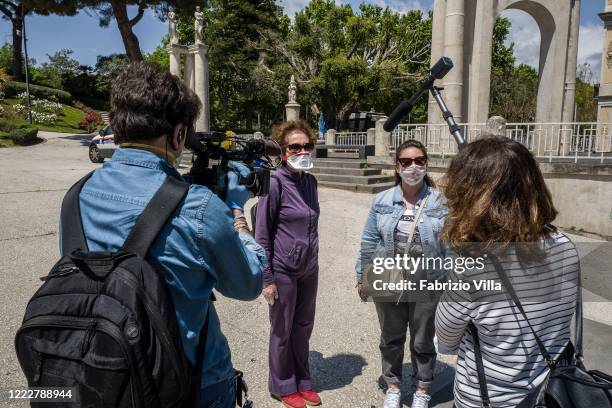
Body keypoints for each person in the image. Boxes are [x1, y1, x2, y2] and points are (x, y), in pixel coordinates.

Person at [64, 62, 266, 408]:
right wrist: (235, 210)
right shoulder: (197, 207)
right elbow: (248, 284)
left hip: (101, 369)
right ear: (177, 135)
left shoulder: (76, 195)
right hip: (189, 382)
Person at [435, 137, 580, 408]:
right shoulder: (566, 246)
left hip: (489, 399)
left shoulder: (472, 267)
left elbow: (446, 338)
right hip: (552, 392)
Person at [355, 140, 447, 408]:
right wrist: (363, 276)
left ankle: (422, 388)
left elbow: (451, 244)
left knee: (422, 339)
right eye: (406, 162)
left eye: (419, 161)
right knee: (391, 337)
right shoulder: (382, 200)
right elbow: (369, 241)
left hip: (427, 279)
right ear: (397, 167)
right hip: (388, 277)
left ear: (426, 163)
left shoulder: (441, 202)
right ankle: (393, 385)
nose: (413, 167)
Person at [255, 119, 321, 408]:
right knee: (282, 328)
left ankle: (303, 379)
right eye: (295, 146)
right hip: (282, 267)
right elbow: (262, 233)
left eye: (306, 146)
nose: (301, 151)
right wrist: (266, 278)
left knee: (303, 325)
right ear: (283, 151)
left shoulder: (311, 181)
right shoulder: (274, 182)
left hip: (309, 267)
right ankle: (283, 384)